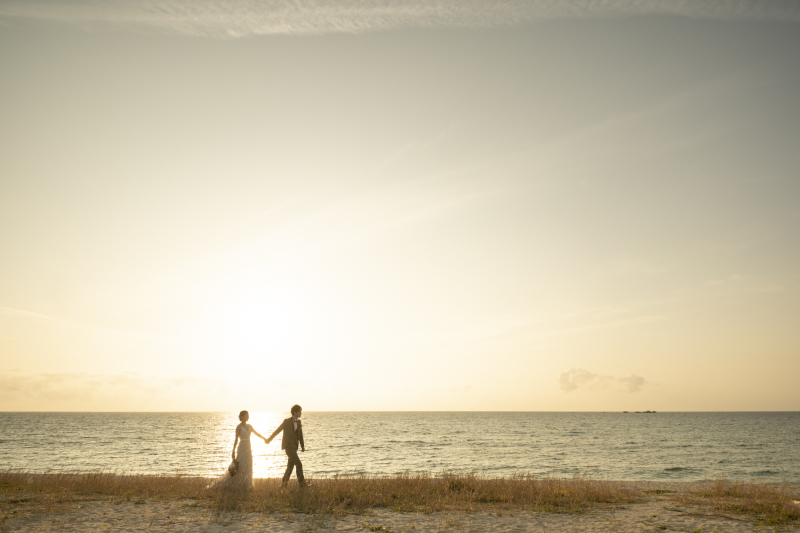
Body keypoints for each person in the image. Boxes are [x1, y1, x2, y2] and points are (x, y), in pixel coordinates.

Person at [209, 410, 267, 490]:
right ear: (242, 417)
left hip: (248, 447)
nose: (247, 417)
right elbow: (236, 439)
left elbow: (257, 433)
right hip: (242, 447)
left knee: (248, 465)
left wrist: (265, 439)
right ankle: (235, 483)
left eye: (248, 415)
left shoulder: (250, 426)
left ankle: (247, 484)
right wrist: (233, 450)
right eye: (246, 415)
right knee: (240, 465)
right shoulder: (239, 427)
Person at [266, 404, 308, 487]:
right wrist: (269, 439)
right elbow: (278, 430)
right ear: (295, 412)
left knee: (290, 467)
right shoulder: (287, 421)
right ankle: (302, 484)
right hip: (288, 447)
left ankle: (284, 483)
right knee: (299, 464)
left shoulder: (299, 422)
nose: (301, 413)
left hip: (295, 447)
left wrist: (302, 446)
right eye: (299, 411)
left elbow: (300, 435)